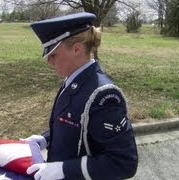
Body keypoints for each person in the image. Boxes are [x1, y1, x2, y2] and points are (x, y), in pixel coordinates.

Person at [23, 12, 138, 180]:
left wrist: (64, 169)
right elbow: (74, 124)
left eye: (53, 54)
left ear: (77, 49)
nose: (49, 61)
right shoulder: (74, 79)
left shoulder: (104, 95)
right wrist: (45, 138)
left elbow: (124, 163)